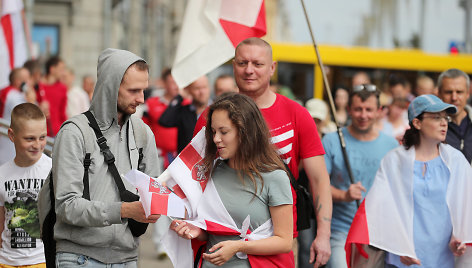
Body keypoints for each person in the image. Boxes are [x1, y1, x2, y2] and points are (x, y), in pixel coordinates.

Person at [193, 37, 332, 268]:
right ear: (233, 65)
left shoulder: (297, 114)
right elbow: (195, 175)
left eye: (257, 64)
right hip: (220, 240)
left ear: (272, 68)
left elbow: (319, 179)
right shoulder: (211, 117)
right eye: (242, 63)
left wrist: (324, 234)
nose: (249, 70)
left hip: (277, 240)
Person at [49, 48, 160, 266]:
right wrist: (124, 210)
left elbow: (154, 191)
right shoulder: (74, 132)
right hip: (79, 258)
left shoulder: (143, 133)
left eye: (144, 90)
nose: (141, 99)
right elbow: (66, 206)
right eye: (134, 90)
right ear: (110, 87)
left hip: (126, 258)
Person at [346, 94, 472, 268]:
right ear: (417, 123)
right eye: (436, 117)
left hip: (444, 258)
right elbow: (381, 209)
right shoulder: (395, 160)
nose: (444, 123)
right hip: (402, 259)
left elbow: (466, 207)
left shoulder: (456, 160)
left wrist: (460, 236)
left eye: (445, 117)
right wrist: (398, 248)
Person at [171, 92, 294, 267]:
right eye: (213, 131)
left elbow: (284, 241)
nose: (216, 139)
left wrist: (238, 247)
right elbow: (215, 231)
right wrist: (196, 231)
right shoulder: (211, 170)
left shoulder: (275, 176)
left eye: (224, 132)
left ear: (246, 132)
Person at [322, 84, 398, 268]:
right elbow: (318, 187)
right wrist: (344, 195)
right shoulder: (332, 140)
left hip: (376, 233)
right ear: (348, 110)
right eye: (358, 109)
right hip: (340, 231)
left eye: (369, 110)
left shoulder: (391, 145)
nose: (363, 115)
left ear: (380, 111)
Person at [0, 103, 51, 267]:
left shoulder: (54, 169)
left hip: (41, 260)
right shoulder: (2, 174)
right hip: (6, 261)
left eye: (42, 137)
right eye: (30, 138)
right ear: (12, 135)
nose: (37, 145)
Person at [142, 68, 179, 259]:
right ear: (165, 83)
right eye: (171, 81)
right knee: (159, 201)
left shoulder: (185, 104)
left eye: (177, 81)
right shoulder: (152, 103)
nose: (175, 85)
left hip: (179, 159)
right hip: (157, 158)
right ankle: (161, 245)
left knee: (179, 202)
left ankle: (178, 244)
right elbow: (142, 127)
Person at [160, 75, 211, 153]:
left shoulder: (216, 110)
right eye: (197, 88)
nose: (202, 92)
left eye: (204, 87)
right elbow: (164, 121)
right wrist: (179, 96)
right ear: (189, 90)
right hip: (186, 161)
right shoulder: (183, 111)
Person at [0, 68, 35, 166]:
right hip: (7, 145)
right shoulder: (12, 95)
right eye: (28, 78)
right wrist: (31, 101)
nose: (31, 81)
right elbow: (27, 116)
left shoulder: (13, 93)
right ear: (19, 81)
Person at [437, 68, 472, 164]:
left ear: (468, 93)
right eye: (448, 92)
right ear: (439, 93)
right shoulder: (430, 129)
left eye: (459, 92)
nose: (454, 98)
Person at [38, 56, 68, 136]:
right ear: (52, 69)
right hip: (39, 132)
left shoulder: (62, 88)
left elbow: (63, 113)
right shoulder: (38, 86)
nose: (64, 73)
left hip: (57, 132)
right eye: (61, 69)